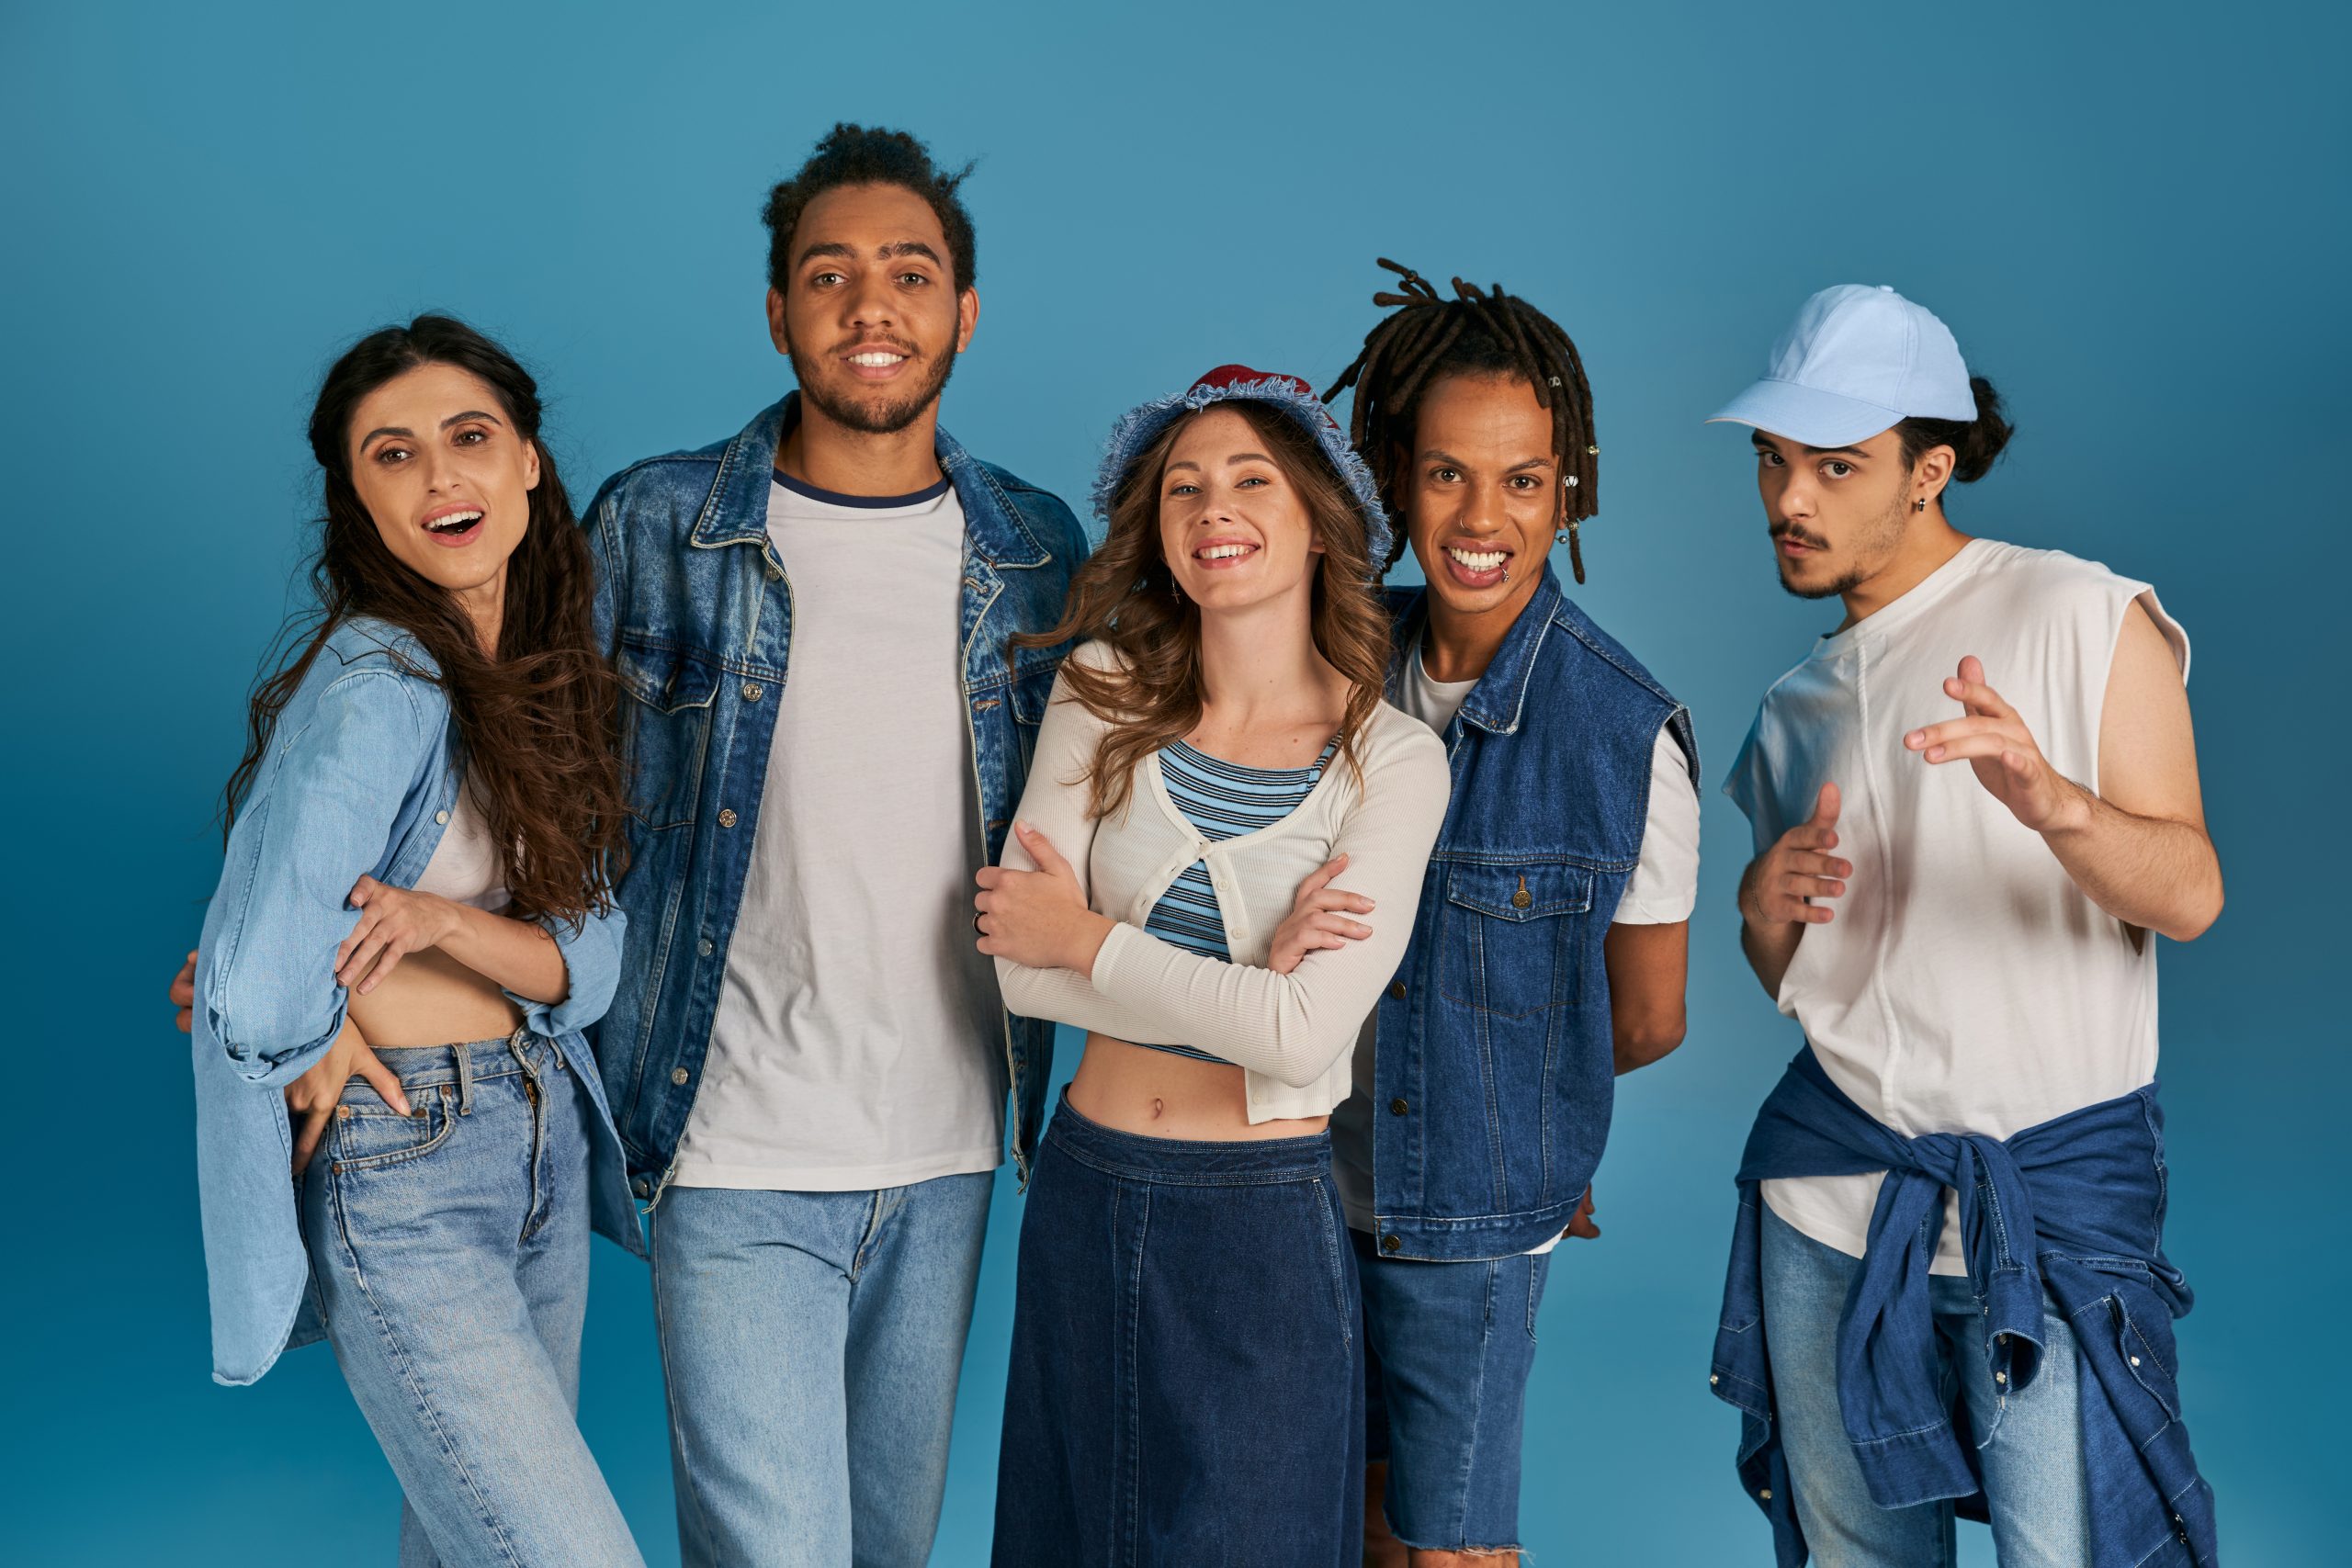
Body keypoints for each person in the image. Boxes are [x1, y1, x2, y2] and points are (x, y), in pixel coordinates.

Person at [580, 124, 1086, 1567]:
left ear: (964, 312)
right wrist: (297, 942)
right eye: (831, 274)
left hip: (949, 1155)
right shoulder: (661, 526)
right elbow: (519, 773)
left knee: (889, 1554)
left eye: (911, 274)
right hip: (732, 1145)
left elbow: (1147, 801)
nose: (873, 307)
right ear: (778, 312)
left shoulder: (1038, 549)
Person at [1706, 284, 2222, 1566]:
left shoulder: (2085, 616)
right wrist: (1757, 913)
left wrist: (2053, 805)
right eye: (1774, 461)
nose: (1791, 501)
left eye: (1836, 467)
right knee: (1855, 1559)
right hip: (1832, 1203)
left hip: (2043, 1204)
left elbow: (2192, 894)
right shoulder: (1790, 711)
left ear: (1930, 470)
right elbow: (1807, 980)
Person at [187, 316, 645, 1567]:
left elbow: (587, 967)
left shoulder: (543, 683)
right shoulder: (381, 682)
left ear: (530, 463)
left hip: (537, 1131)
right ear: (358, 501)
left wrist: (447, 922)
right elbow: (248, 981)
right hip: (411, 1160)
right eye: (392, 455)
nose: (440, 477)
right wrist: (305, 1046)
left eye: (469, 438)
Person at [978, 366, 1452, 1566]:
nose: (1210, 507)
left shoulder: (1391, 762)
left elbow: (1298, 1040)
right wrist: (1245, 984)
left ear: (1316, 528)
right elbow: (1014, 972)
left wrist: (1090, 939)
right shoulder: (1098, 695)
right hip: (1083, 1198)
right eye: (1182, 486)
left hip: (1258, 1232)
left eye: (1249, 480)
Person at [1318, 261, 1701, 1567]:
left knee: (1454, 1548)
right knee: (1348, 1527)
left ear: (1567, 487)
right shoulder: (1327, 666)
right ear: (1391, 478)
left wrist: (1533, 1110)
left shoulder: (1622, 735)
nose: (1484, 517)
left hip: (1471, 1226)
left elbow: (1645, 1019)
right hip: (1295, 1187)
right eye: (1446, 475)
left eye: (1523, 480)